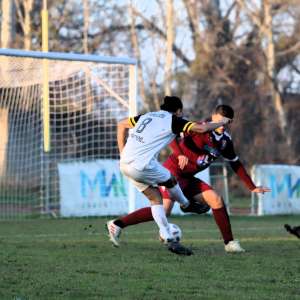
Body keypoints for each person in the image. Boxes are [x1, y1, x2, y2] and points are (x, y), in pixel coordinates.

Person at [107, 104, 271, 253]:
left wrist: (252, 186)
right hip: (172, 172)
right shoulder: (198, 128)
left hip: (188, 178)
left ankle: (230, 244)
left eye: (225, 121)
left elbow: (235, 164)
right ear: (213, 117)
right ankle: (117, 224)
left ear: (230, 123)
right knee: (163, 210)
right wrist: (179, 154)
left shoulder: (226, 142)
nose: (221, 124)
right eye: (219, 120)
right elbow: (170, 134)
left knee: (216, 200)